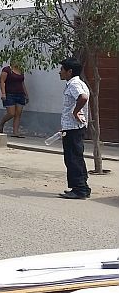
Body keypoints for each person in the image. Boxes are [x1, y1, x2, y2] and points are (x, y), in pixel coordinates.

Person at [57, 57, 91, 200]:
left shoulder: (74, 84)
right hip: (74, 127)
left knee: (72, 158)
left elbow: (82, 98)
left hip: (73, 127)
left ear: (69, 71)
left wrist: (75, 112)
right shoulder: (79, 83)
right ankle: (83, 187)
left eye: (62, 69)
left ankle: (79, 190)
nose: (60, 72)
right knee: (77, 157)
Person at [0, 62, 29, 137]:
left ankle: (15, 132)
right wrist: (3, 93)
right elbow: (2, 81)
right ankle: (1, 123)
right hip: (10, 94)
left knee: (18, 114)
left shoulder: (21, 70)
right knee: (11, 113)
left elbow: (22, 83)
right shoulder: (7, 70)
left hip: (20, 94)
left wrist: (26, 94)